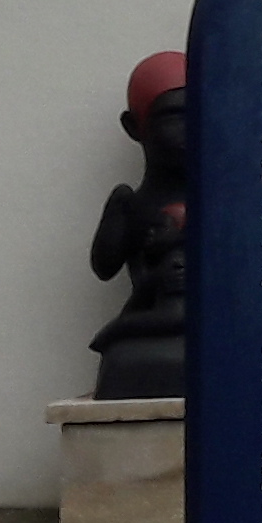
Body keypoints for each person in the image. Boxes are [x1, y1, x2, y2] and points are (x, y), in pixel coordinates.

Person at [87, 50, 190, 400]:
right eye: (173, 117)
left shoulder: (222, 201)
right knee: (125, 358)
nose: (190, 129)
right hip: (149, 321)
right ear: (134, 127)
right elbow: (104, 266)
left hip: (209, 321)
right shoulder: (131, 205)